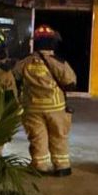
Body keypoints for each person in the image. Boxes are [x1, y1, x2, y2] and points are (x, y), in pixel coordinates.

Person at [14, 25, 76, 176]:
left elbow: (14, 77)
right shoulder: (58, 62)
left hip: (32, 108)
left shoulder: (25, 62)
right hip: (56, 108)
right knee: (58, 136)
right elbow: (71, 83)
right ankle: (62, 166)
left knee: (37, 137)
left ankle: (40, 166)